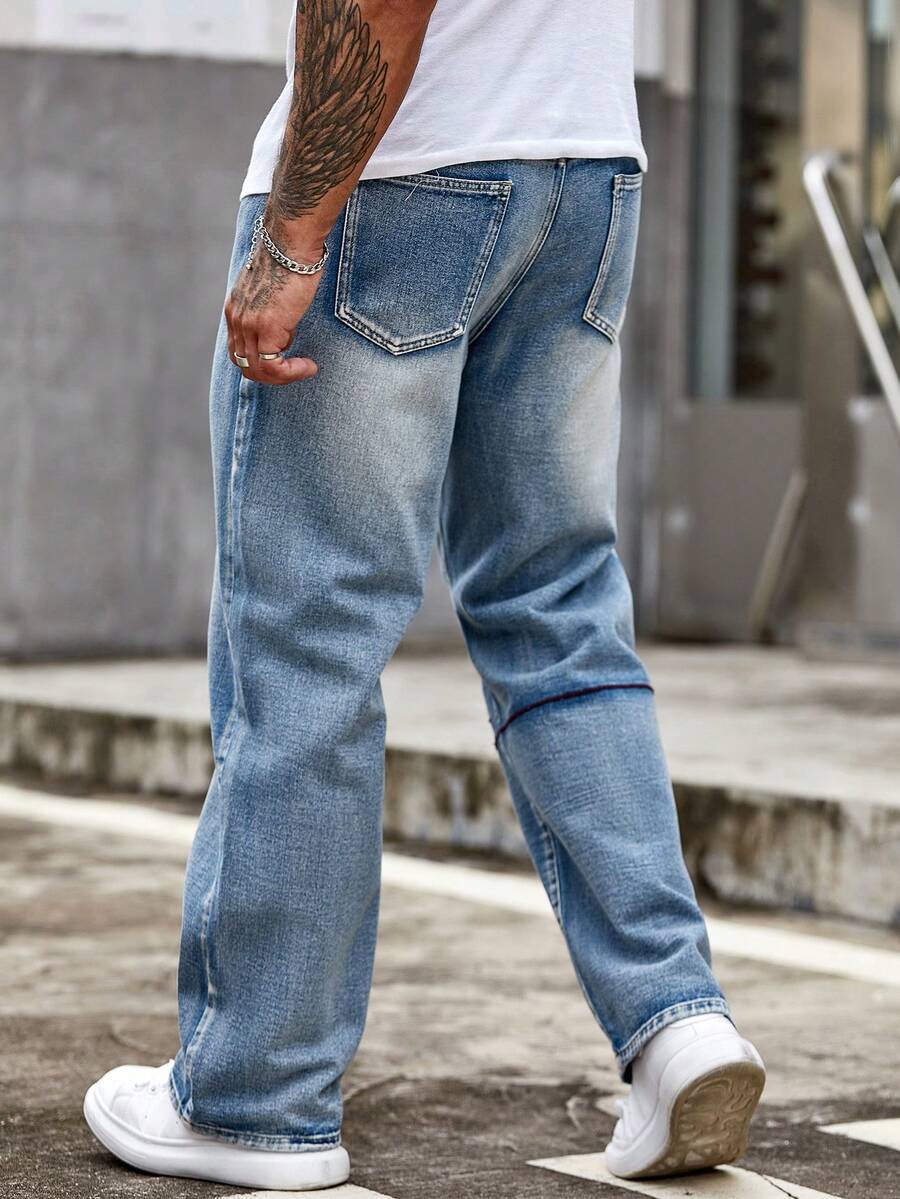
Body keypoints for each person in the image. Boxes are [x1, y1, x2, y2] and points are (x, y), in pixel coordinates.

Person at [83, 0, 765, 1189]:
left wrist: (294, 234)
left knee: (313, 634)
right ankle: (676, 1020)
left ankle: (256, 1097)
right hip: (589, 172)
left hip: (406, 176)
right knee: (560, 611)